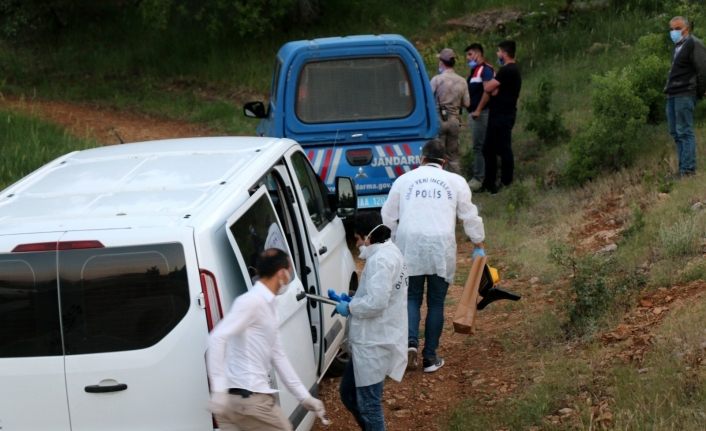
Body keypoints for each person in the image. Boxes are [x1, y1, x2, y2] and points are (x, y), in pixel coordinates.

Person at [381, 139, 485, 373]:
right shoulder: (456, 181)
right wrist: (478, 242)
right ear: (444, 162)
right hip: (441, 244)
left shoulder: (403, 180)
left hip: (410, 244)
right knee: (436, 302)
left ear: (421, 159)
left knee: (411, 298)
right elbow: (469, 216)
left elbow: (387, 215)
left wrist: (394, 239)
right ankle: (430, 358)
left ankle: (409, 344)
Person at [206, 248, 327, 431]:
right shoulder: (252, 302)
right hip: (251, 401)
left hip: (233, 404)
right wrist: (218, 387)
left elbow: (278, 356)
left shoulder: (267, 305)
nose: (290, 276)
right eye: (289, 270)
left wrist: (304, 397)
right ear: (281, 273)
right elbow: (217, 337)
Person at [332, 211, 407, 431]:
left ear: (367, 237)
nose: (357, 245)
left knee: (369, 404)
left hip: (375, 342)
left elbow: (376, 303)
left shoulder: (381, 260)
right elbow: (378, 292)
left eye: (357, 239)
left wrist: (351, 307)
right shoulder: (387, 252)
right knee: (348, 394)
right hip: (374, 339)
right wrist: (353, 298)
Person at [664, 15, 706, 177]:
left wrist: (701, 90)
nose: (673, 32)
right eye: (671, 29)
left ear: (686, 29)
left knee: (684, 131)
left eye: (677, 28)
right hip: (673, 93)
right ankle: (682, 169)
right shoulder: (677, 47)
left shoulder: (693, 44)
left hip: (685, 92)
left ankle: (688, 170)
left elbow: (703, 68)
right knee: (675, 132)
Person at [482, 40, 522, 194]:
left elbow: (489, 87)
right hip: (501, 114)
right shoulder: (511, 71)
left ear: (505, 53)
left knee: (502, 148)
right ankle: (490, 182)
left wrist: (492, 87)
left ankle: (506, 180)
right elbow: (494, 90)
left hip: (502, 116)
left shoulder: (507, 70)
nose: (497, 54)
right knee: (490, 149)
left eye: (499, 51)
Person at [430, 47, 471, 173]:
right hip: (454, 120)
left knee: (438, 155)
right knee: (453, 156)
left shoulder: (437, 80)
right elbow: (467, 103)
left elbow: (428, 100)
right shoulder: (462, 81)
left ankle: (439, 181)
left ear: (442, 62)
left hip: (439, 120)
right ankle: (456, 181)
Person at [464, 43, 495, 191]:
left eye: (470, 54)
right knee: (478, 145)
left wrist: (478, 109)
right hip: (474, 113)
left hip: (481, 114)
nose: (468, 58)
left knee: (479, 146)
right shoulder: (474, 71)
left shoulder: (486, 70)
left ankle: (479, 178)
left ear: (478, 54)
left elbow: (487, 91)